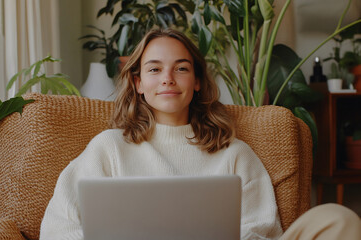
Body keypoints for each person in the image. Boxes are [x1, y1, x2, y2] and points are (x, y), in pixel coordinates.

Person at [40, 29, 361, 240]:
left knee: (337, 219)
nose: (167, 78)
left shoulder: (234, 152)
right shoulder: (108, 148)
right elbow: (59, 224)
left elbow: (262, 228)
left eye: (180, 68)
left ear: (196, 80)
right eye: (154, 69)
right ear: (138, 83)